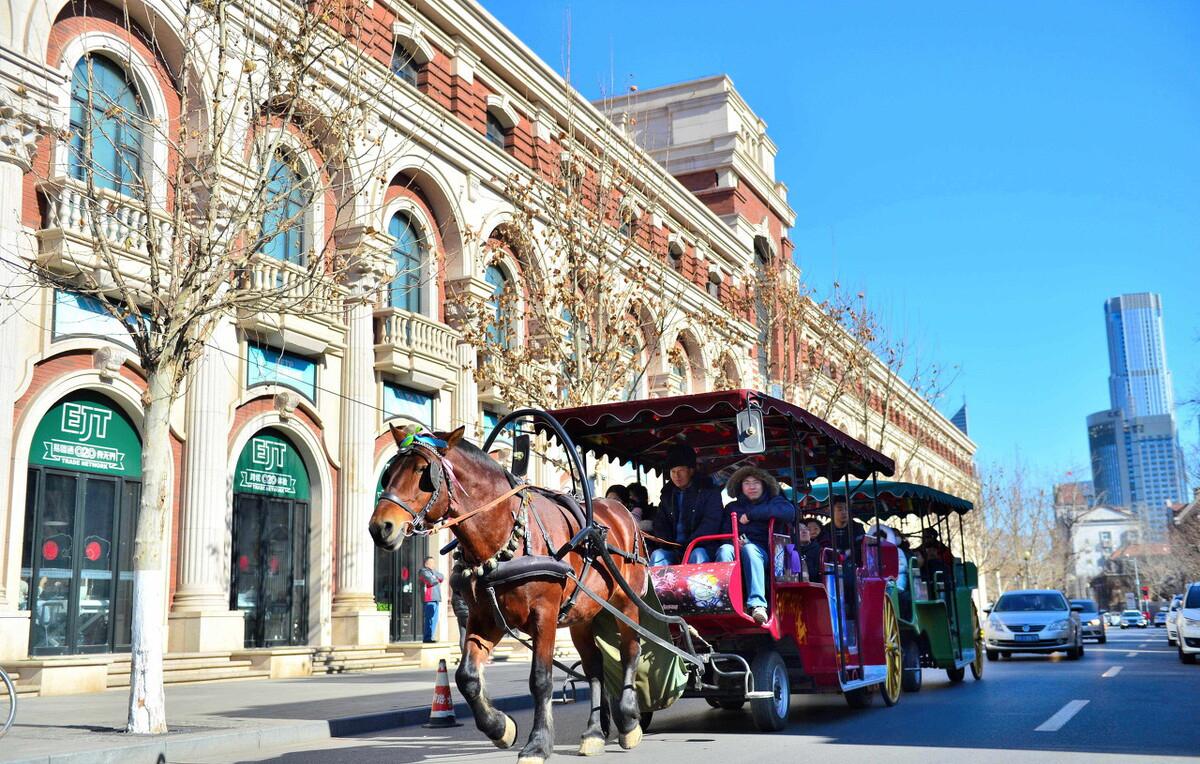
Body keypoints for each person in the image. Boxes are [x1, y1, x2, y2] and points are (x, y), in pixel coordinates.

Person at [716, 466, 796, 624]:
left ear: (764, 484)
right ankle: (725, 601)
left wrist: (752, 515)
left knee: (750, 549)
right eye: (747, 483)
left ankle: (757, 605)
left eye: (756, 482)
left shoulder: (775, 501)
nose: (751, 487)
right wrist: (733, 542)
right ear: (740, 486)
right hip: (736, 549)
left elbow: (789, 512)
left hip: (765, 553)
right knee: (724, 550)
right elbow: (724, 532)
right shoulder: (732, 507)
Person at [650, 443, 724, 566]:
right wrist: (666, 542)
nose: (676, 475)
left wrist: (690, 544)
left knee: (697, 555)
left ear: (691, 470)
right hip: (673, 549)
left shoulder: (709, 491)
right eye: (673, 471)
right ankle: (656, 586)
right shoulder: (667, 494)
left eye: (680, 471)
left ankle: (697, 586)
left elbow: (711, 522)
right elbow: (660, 522)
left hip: (702, 547)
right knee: (657, 555)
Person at [419, 557, 444, 643]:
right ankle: (427, 638)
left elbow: (442, 577)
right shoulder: (423, 571)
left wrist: (434, 575)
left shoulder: (433, 572)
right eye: (432, 563)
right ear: (426, 564)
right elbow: (431, 581)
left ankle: (430, 637)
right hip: (429, 599)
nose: (434, 565)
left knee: (435, 619)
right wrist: (435, 577)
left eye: (434, 563)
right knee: (429, 619)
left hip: (436, 598)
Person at [449, 578, 471, 656]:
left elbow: (452, 604)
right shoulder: (466, 592)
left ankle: (464, 655)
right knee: (471, 635)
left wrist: (457, 613)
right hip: (468, 615)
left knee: (463, 635)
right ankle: (470, 655)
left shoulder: (454, 594)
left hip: (460, 616)